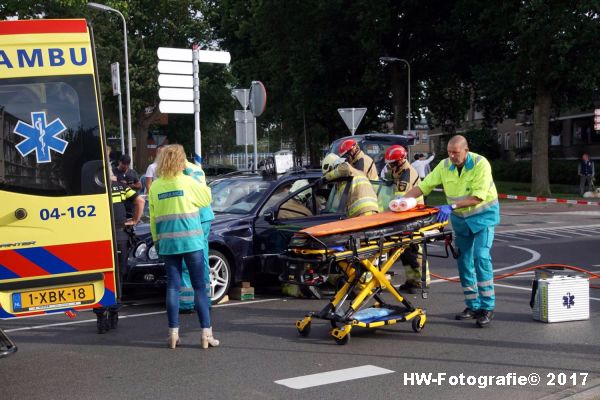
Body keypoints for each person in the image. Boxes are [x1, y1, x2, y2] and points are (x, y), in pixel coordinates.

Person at [402, 135, 500, 328]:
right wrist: (402, 202)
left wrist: (451, 206)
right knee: (464, 262)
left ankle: (487, 307)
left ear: (466, 149)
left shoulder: (481, 164)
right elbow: (424, 186)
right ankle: (472, 306)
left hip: (483, 217)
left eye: (455, 152)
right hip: (462, 220)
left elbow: (478, 197)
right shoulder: (445, 165)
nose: (452, 156)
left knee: (481, 257)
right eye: (449, 152)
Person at [148, 145, 218, 349]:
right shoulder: (188, 181)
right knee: (199, 288)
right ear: (182, 161)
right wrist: (194, 175)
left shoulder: (156, 187)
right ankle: (206, 334)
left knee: (172, 287)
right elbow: (206, 198)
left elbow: (153, 218)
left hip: (168, 243)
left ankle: (173, 334)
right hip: (192, 242)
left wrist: (156, 241)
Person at [93, 166, 144, 334]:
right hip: (119, 235)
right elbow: (140, 201)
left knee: (100, 275)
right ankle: (114, 313)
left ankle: (101, 316)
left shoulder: (91, 189)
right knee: (117, 276)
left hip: (98, 237)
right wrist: (135, 220)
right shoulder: (120, 188)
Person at [382, 145, 428, 294]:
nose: (391, 166)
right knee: (405, 250)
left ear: (402, 159)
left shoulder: (407, 174)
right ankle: (412, 280)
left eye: (393, 163)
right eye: (390, 163)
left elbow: (400, 197)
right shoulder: (398, 169)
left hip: (412, 214)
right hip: (404, 213)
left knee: (413, 249)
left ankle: (421, 282)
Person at [178, 160, 216, 313]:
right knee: (203, 257)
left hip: (192, 217)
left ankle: (186, 303)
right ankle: (205, 300)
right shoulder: (196, 168)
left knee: (187, 261)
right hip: (205, 214)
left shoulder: (180, 171)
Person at [322, 153, 379, 218]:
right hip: (365, 211)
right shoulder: (344, 179)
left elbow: (344, 169)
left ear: (332, 167)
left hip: (364, 211)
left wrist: (326, 178)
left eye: (329, 172)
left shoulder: (345, 166)